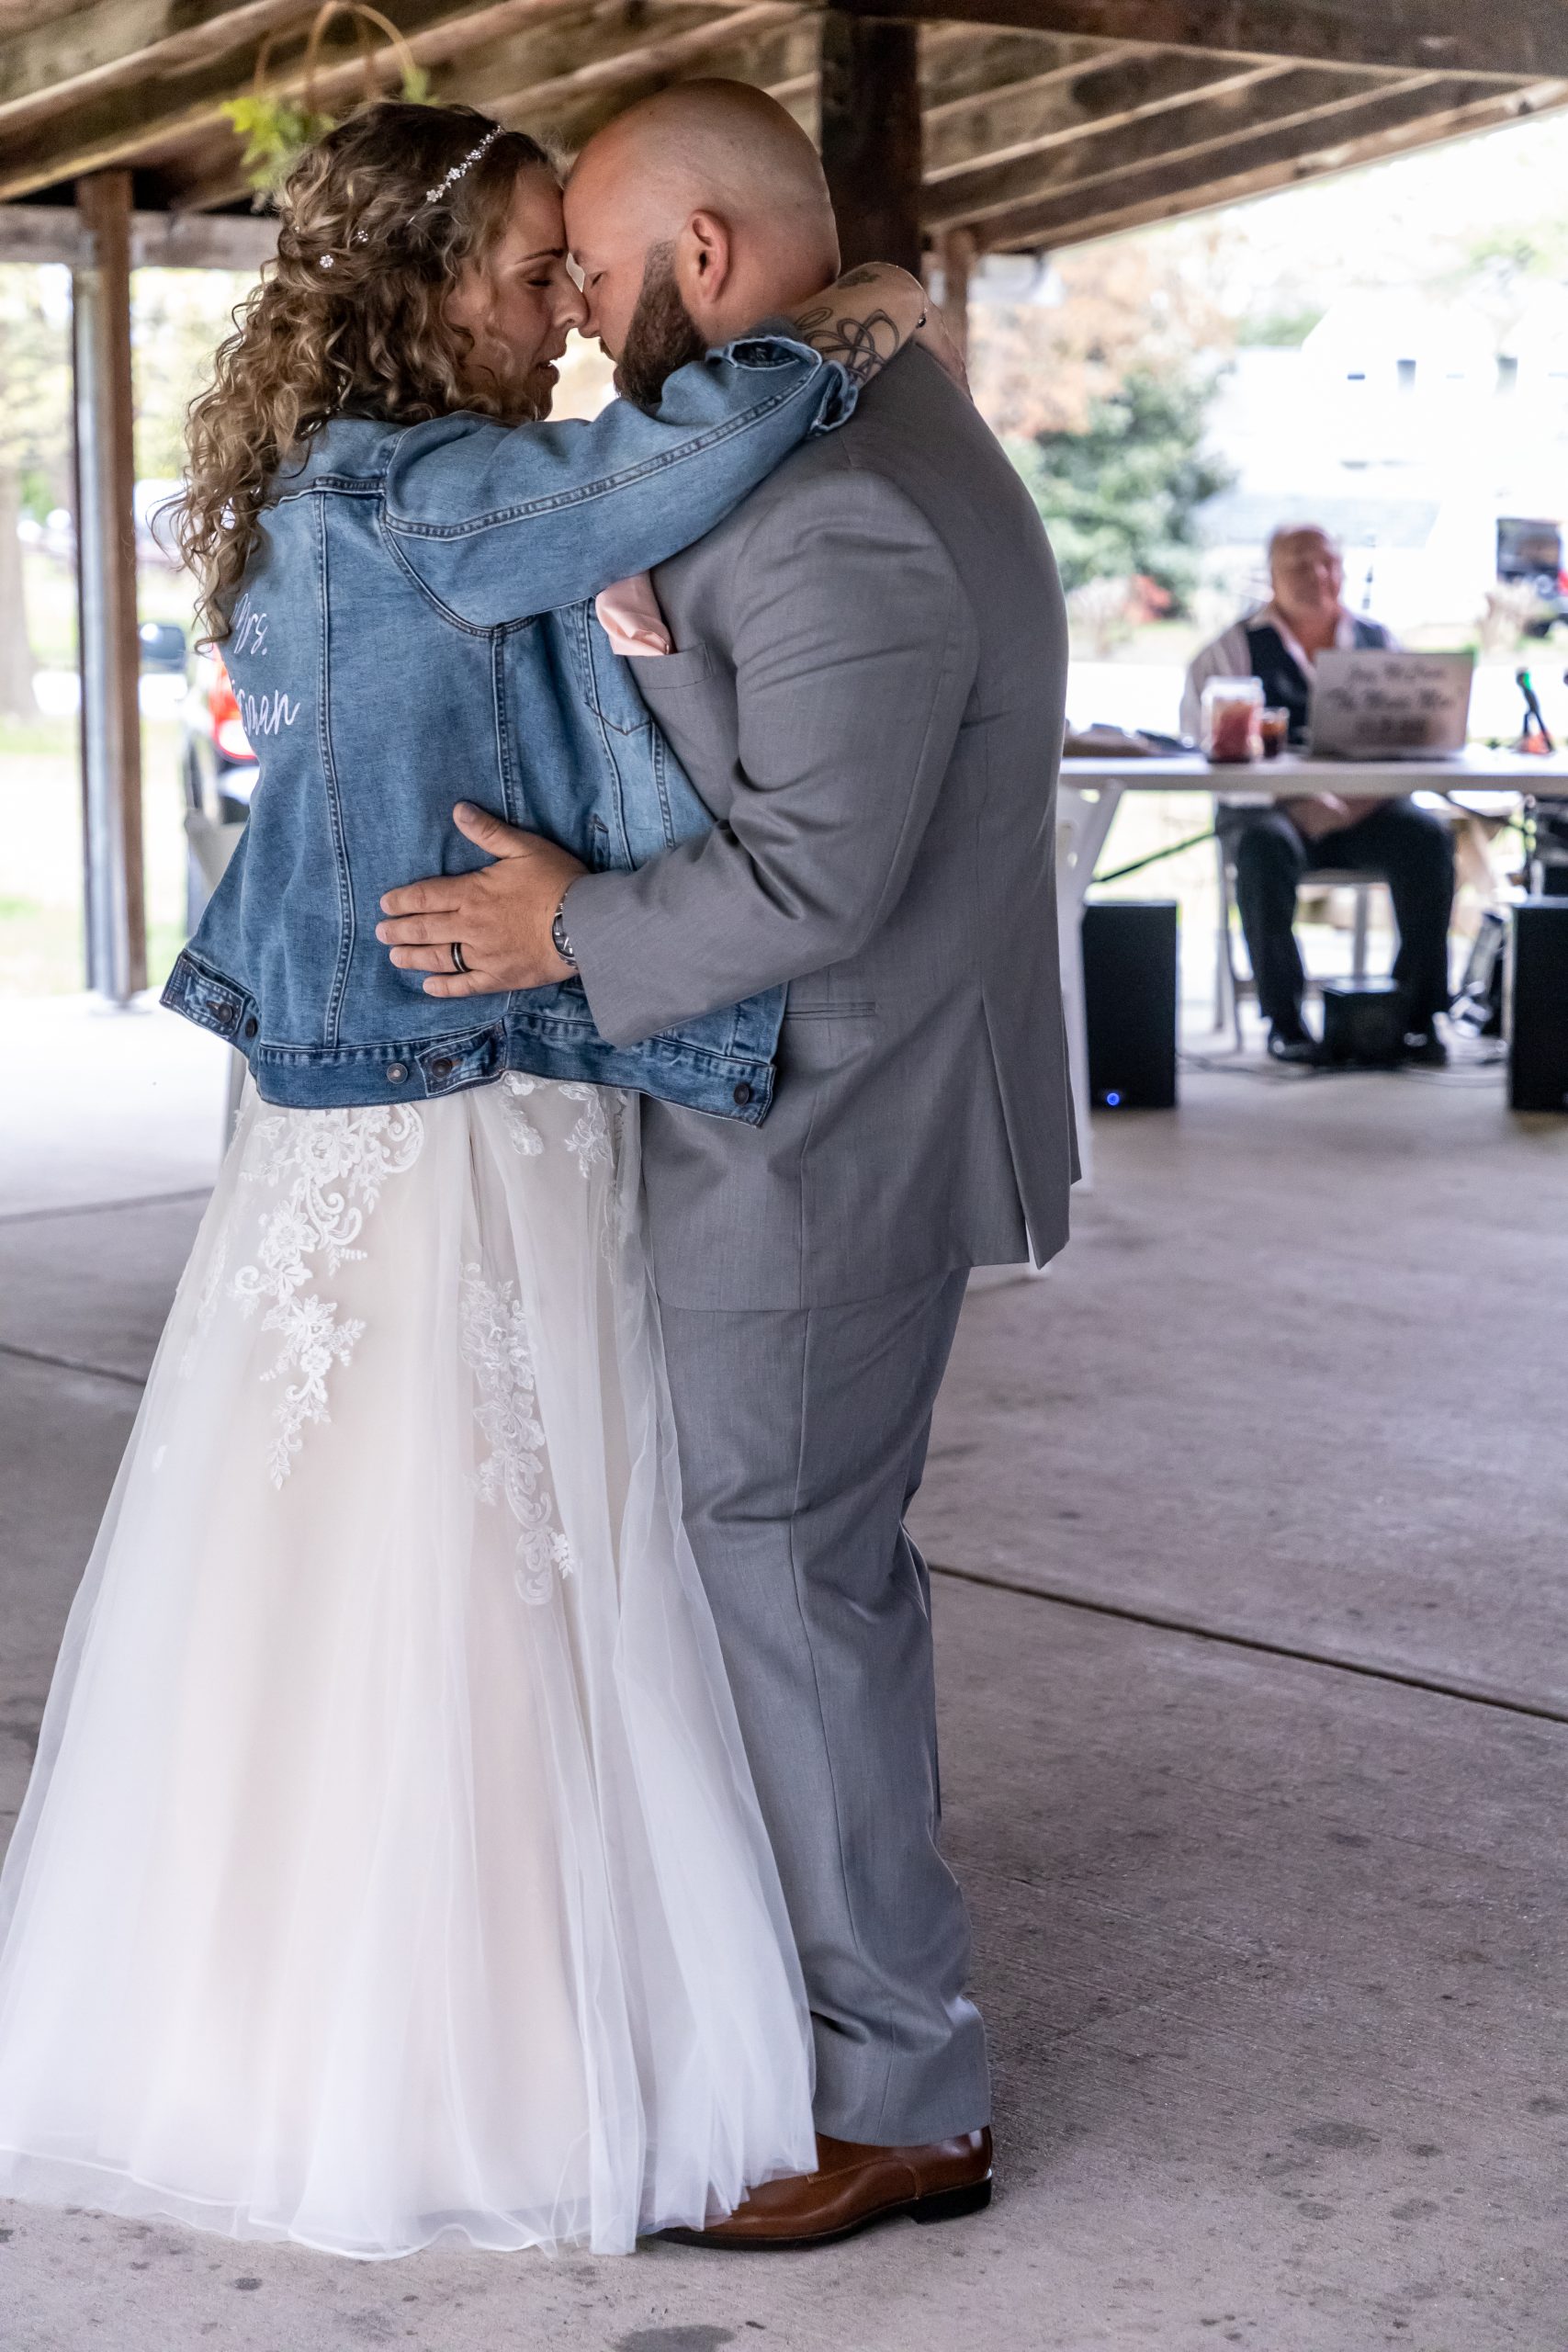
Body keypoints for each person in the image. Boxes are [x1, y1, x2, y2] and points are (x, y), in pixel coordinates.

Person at [0, 102, 933, 2258]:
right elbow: (670, 456)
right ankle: (470, 2047)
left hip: (453, 1069)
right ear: (421, 287)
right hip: (442, 1092)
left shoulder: (378, 485)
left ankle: (447, 2005)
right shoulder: (398, 487)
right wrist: (853, 322)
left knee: (450, 1547)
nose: (565, 321)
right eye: (529, 274)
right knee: (454, 1553)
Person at [376, 79, 1077, 2250]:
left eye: (592, 272)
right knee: (796, 1572)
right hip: (823, 1112)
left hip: (825, 1134)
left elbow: (813, 880)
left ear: (702, 256)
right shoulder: (833, 440)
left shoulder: (844, 504)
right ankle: (824, 2020)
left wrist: (560, 925)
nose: (582, 319)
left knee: (788, 1578)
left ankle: (895, 2093)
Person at [1182, 523, 1455, 1067]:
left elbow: (1413, 744)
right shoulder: (1230, 653)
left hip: (1366, 812)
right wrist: (1293, 802)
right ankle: (1284, 1023)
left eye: (1327, 562)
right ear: (1271, 575)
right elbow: (1206, 750)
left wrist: (1354, 803)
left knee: (1428, 839)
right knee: (1262, 850)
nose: (1317, 575)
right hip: (1272, 815)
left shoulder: (1380, 643)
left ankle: (1415, 1018)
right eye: (1299, 564)